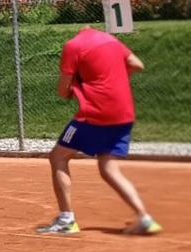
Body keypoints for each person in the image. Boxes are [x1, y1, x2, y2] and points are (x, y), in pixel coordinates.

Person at [37, 25, 161, 236]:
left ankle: (66, 220)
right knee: (108, 168)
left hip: (95, 113)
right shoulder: (111, 40)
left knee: (58, 156)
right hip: (124, 113)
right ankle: (144, 218)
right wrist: (112, 81)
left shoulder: (73, 45)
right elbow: (137, 65)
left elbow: (62, 89)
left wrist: (76, 86)